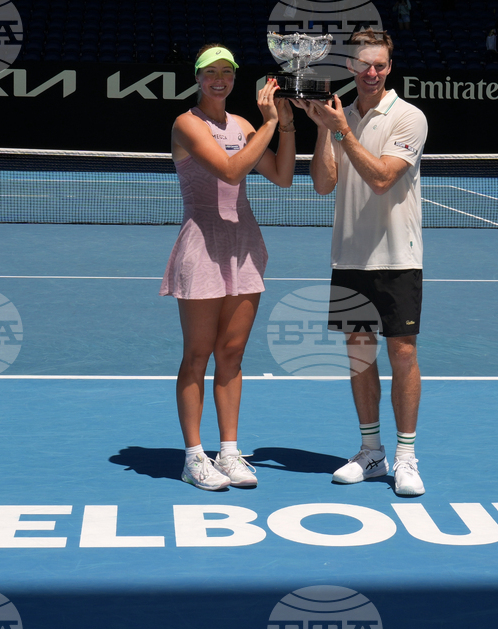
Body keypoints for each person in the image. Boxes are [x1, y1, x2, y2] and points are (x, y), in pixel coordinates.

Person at [293, 29, 428, 497]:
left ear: (390, 67)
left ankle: (406, 458)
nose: (372, 72)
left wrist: (343, 132)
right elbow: (323, 184)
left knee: (402, 353)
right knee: (359, 354)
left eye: (380, 65)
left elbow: (383, 178)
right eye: (364, 64)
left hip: (397, 257)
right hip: (349, 257)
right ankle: (371, 452)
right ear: (350, 66)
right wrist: (322, 127)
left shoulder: (409, 117)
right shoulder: (340, 116)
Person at [161, 44, 296, 491]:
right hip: (202, 246)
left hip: (244, 245)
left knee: (232, 353)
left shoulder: (243, 125)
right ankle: (194, 458)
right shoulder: (186, 124)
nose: (219, 79)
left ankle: (230, 451)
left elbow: (282, 176)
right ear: (198, 78)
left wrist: (286, 125)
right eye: (211, 72)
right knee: (197, 354)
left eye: (227, 71)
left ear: (235, 77)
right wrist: (269, 124)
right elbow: (231, 171)